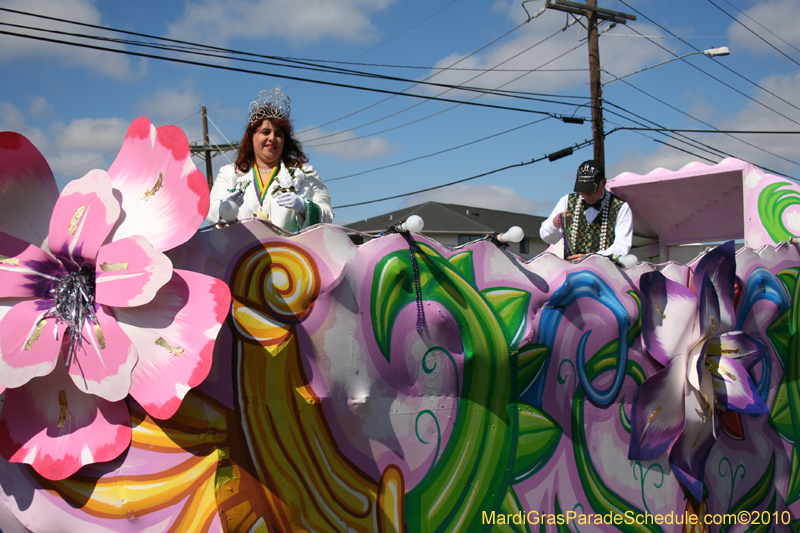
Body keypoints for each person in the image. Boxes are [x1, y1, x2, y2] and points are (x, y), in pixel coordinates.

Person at [206, 86, 334, 231]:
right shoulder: (230, 173)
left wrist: (305, 207)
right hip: (242, 253)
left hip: (290, 252)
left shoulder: (305, 173)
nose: (272, 138)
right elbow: (210, 214)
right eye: (265, 132)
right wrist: (225, 208)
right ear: (252, 136)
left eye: (278, 134)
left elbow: (328, 214)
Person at [539, 159, 632, 262]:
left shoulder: (620, 207)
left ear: (604, 182)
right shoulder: (567, 201)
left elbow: (622, 245)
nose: (587, 194)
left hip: (606, 272)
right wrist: (555, 223)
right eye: (583, 189)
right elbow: (546, 237)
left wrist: (591, 258)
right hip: (570, 271)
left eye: (592, 189)